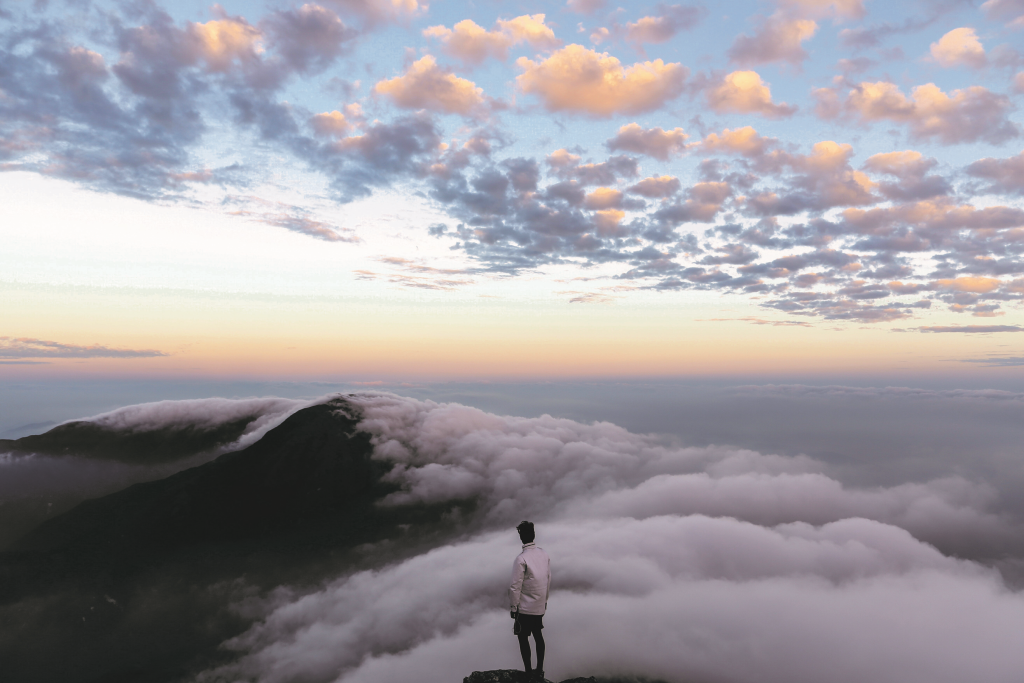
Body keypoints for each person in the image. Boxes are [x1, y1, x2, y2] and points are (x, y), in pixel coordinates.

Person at [509, 520, 550, 680]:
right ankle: (539, 669)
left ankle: (528, 671)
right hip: (539, 604)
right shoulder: (544, 554)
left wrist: (513, 608)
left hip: (525, 607)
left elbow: (515, 586)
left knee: (522, 637)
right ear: (534, 534)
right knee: (538, 635)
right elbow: (548, 578)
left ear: (521, 537)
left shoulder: (521, 559)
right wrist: (544, 601)